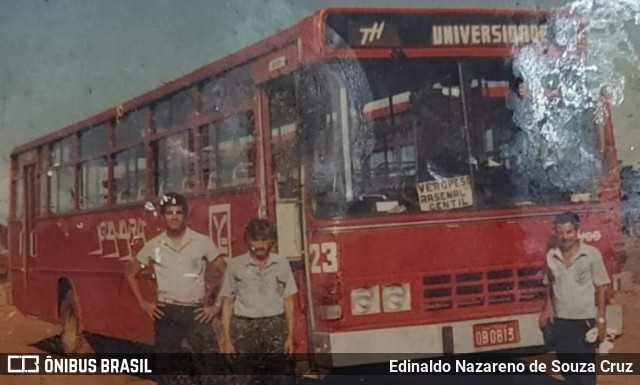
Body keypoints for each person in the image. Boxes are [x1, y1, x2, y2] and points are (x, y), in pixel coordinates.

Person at [126, 192, 225, 379]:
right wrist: (144, 303)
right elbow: (131, 273)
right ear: (162, 217)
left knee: (210, 368)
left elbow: (225, 272)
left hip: (196, 312)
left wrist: (216, 306)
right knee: (167, 371)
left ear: (185, 215)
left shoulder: (202, 242)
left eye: (178, 213)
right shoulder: (154, 245)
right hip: (167, 311)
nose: (174, 217)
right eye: (170, 213)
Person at [219, 218, 298, 383]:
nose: (260, 245)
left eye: (264, 239)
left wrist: (290, 336)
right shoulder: (236, 265)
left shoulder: (281, 264)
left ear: (271, 241)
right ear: (248, 241)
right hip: (244, 330)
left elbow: (288, 300)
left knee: (279, 379)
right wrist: (227, 339)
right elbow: (228, 303)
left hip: (275, 328)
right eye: (255, 240)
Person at [539, 211, 611, 385]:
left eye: (569, 232)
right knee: (568, 372)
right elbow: (549, 285)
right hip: (561, 323)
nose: (565, 237)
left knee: (585, 374)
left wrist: (600, 318)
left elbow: (602, 286)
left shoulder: (591, 254)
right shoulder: (551, 256)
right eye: (560, 232)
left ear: (577, 231)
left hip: (584, 323)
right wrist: (546, 309)